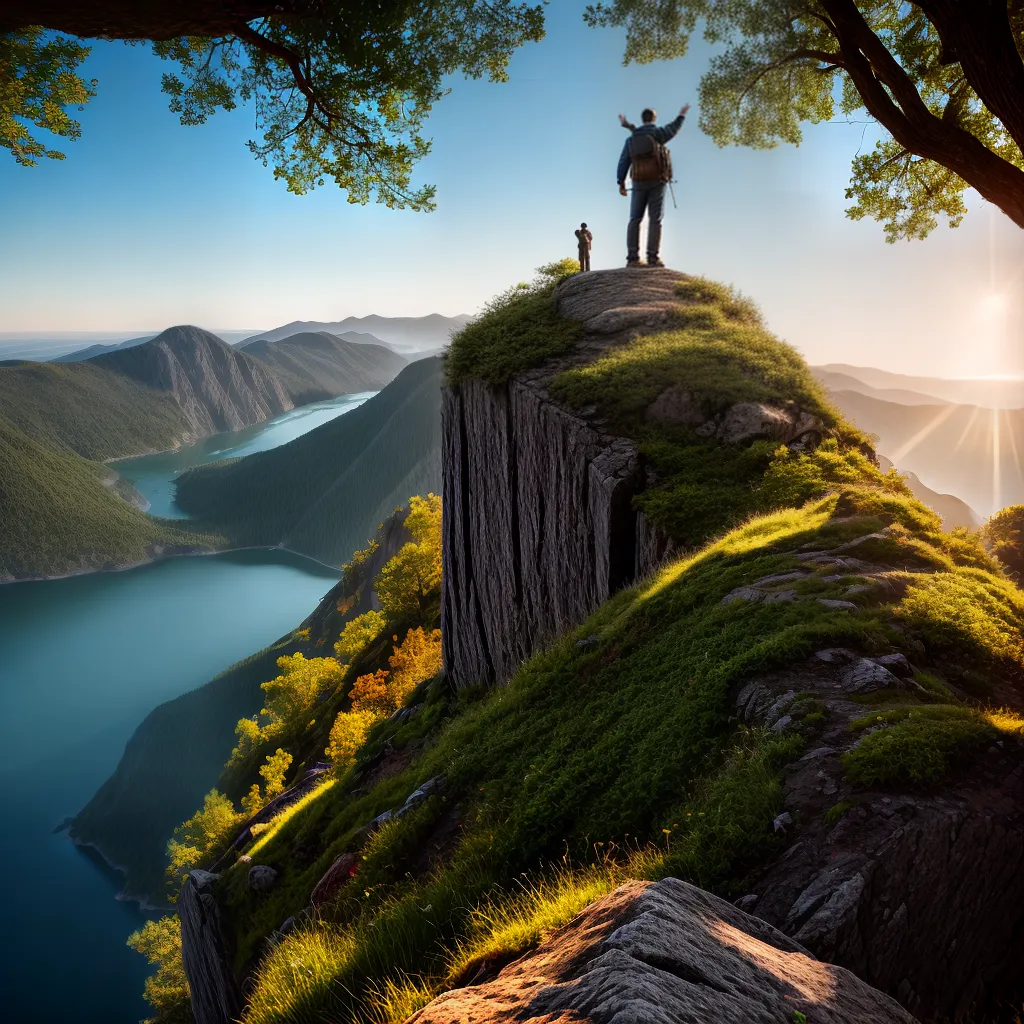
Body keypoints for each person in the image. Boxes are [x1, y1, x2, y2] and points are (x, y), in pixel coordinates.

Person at [616, 104, 690, 267]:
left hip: (638, 181)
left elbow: (623, 161)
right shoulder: (658, 133)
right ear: (653, 119)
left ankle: (632, 258)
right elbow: (673, 129)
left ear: (643, 119)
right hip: (658, 180)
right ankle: (652, 258)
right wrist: (681, 115)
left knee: (635, 219)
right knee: (655, 219)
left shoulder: (632, 139)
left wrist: (621, 182)